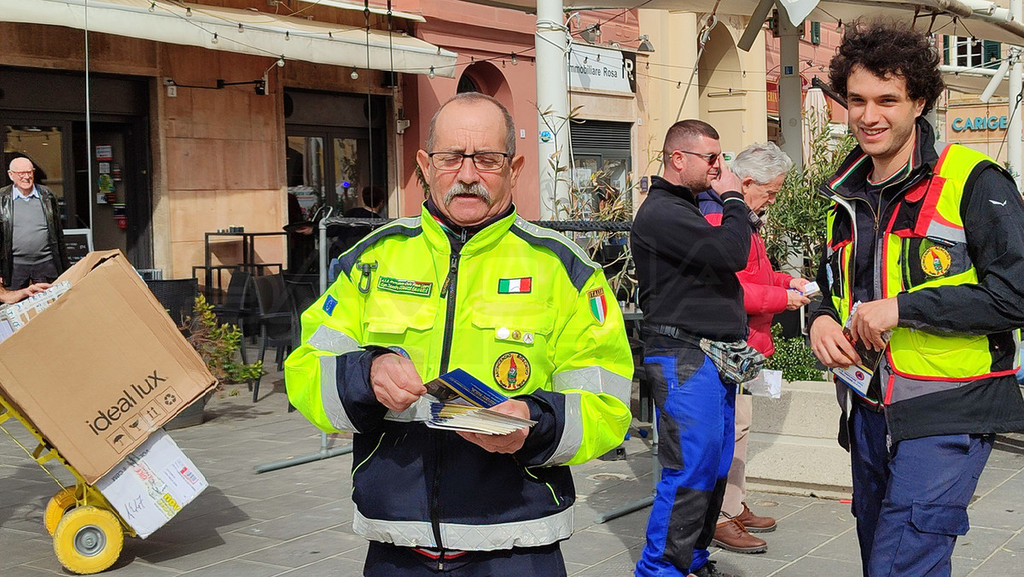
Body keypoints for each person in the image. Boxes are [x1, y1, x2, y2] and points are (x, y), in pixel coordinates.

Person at [284, 92, 633, 576]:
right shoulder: (370, 259)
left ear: (514, 168)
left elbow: (607, 405)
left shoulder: (567, 271)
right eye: (451, 157)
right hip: (396, 544)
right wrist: (366, 374)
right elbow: (306, 370)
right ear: (426, 165)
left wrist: (534, 423)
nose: (467, 174)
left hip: (518, 544)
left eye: (487, 159)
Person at [809, 20, 1024, 577]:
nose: (868, 115)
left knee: (900, 566)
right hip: (868, 407)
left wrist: (903, 309)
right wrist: (819, 320)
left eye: (887, 100)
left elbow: (1016, 294)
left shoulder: (975, 180)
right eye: (857, 100)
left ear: (919, 102)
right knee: (886, 558)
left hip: (949, 406)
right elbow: (828, 286)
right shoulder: (845, 193)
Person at [632, 119, 753, 577]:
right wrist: (735, 199)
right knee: (690, 468)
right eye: (712, 158)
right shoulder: (662, 211)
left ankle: (694, 559)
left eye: (721, 157)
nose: (720, 167)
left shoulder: (686, 207)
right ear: (678, 159)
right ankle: (659, 571)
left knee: (715, 466)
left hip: (705, 356)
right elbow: (731, 254)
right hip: (682, 355)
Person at [697, 142, 809, 555]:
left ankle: (732, 503)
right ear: (745, 183)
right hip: (730, 343)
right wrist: (783, 298)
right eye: (771, 191)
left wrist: (787, 282)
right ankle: (721, 515)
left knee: (739, 429)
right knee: (730, 430)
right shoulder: (722, 219)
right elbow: (731, 289)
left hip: (744, 342)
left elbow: (756, 274)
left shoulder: (742, 218)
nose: (773, 200)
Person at [1, 157, 69, 289]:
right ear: (11, 175)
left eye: (29, 172)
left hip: (46, 263)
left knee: (51, 300)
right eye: (21, 173)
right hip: (14, 266)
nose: (26, 177)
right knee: (14, 301)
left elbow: (58, 234)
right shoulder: (2, 199)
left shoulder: (48, 196)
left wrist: (64, 266)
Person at [329, 184, 388, 259]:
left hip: (341, 255)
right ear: (381, 202)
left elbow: (334, 230)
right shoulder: (379, 222)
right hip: (363, 259)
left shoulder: (351, 213)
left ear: (363, 199)